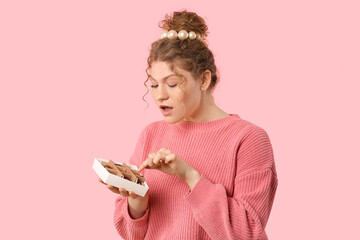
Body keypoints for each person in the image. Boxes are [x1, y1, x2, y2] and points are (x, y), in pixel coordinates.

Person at [99, 9, 278, 240]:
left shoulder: (249, 139)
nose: (160, 95)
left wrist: (190, 176)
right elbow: (131, 233)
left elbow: (248, 233)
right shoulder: (151, 134)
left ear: (203, 80)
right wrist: (137, 201)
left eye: (172, 84)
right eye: (153, 84)